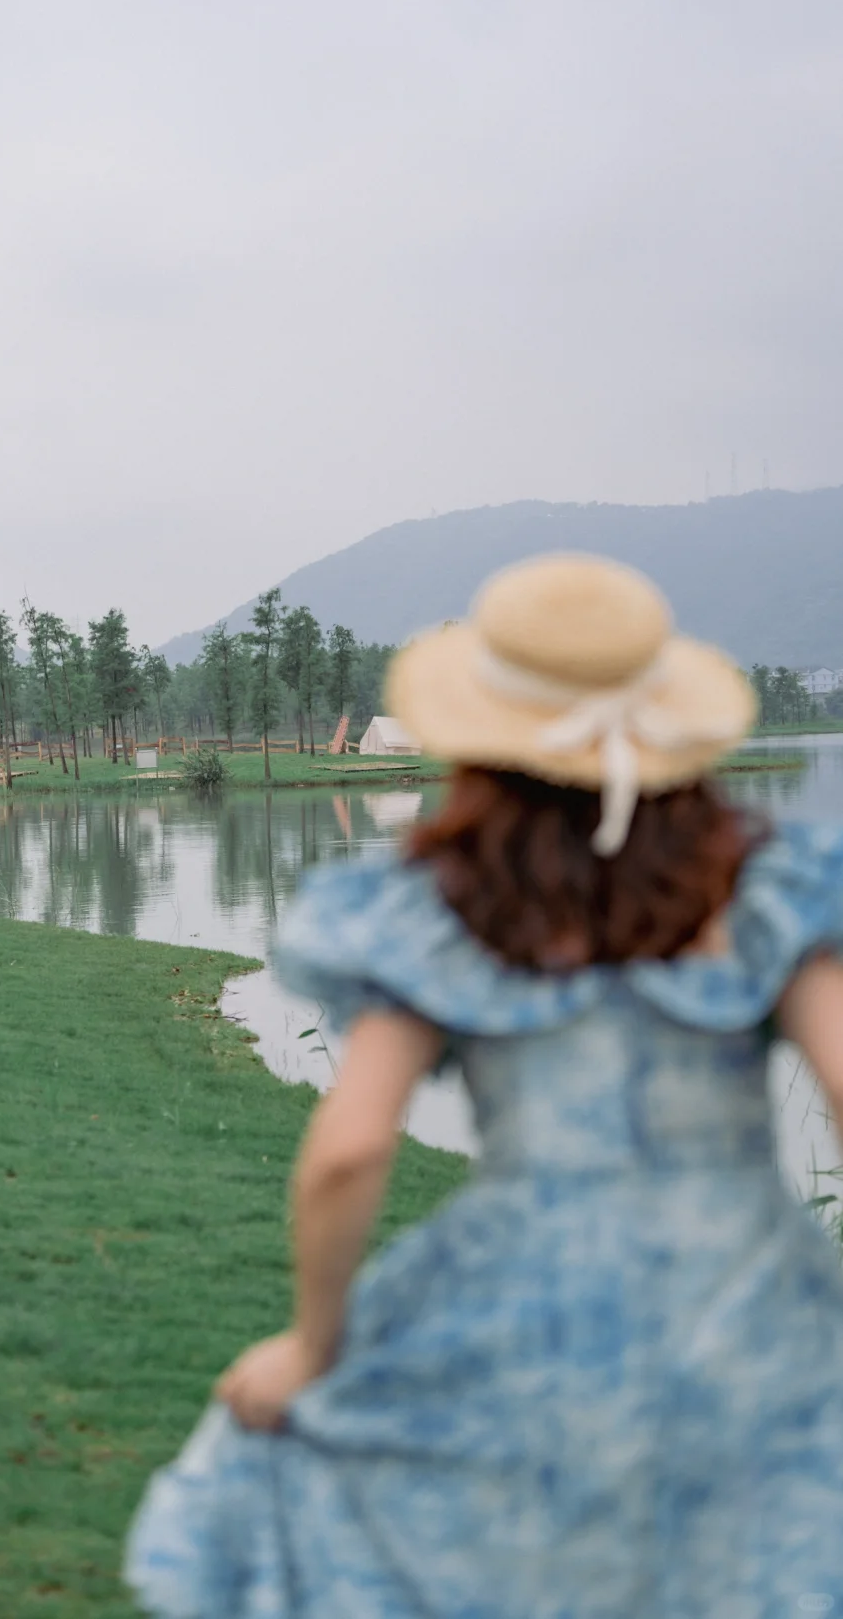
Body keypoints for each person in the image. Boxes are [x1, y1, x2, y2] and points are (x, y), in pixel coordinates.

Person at [126, 553, 843, 1617]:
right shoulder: (764, 887)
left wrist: (314, 1346)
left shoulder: (440, 908)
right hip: (750, 1309)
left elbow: (350, 1150)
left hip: (521, 1306)